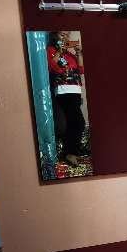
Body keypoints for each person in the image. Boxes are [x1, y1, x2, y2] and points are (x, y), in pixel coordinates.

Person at [47, 31, 87, 164]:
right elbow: (52, 66)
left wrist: (79, 53)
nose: (65, 37)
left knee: (71, 122)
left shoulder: (69, 54)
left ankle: (70, 152)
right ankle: (71, 153)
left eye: (67, 35)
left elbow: (81, 70)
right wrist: (59, 50)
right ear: (55, 35)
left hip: (76, 91)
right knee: (79, 122)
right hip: (64, 91)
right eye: (62, 35)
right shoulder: (51, 50)